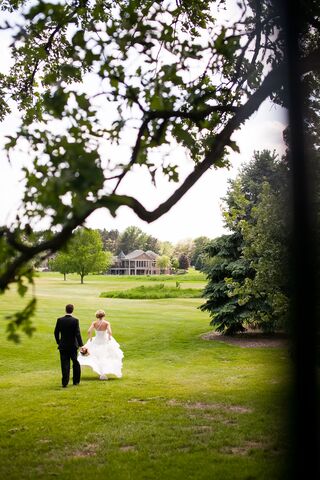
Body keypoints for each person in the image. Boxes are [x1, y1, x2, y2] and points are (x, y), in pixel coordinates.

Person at [78, 309, 123, 380]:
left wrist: (90, 338)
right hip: (104, 341)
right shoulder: (107, 323)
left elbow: (89, 331)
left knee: (97, 356)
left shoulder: (94, 323)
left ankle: (101, 373)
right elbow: (110, 332)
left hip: (97, 340)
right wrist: (109, 337)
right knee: (105, 356)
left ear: (97, 316)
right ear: (104, 315)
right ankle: (103, 373)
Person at [54, 304, 84, 388]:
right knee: (75, 363)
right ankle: (76, 381)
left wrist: (58, 342)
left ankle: (65, 382)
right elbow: (77, 334)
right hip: (73, 346)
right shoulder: (75, 320)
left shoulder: (60, 320)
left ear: (65, 310)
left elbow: (56, 332)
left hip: (63, 345)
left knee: (64, 364)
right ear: (72, 310)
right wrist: (81, 345)